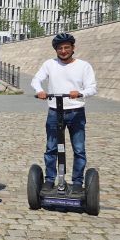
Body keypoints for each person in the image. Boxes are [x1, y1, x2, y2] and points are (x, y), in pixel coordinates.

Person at [31, 33, 97, 192]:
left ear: (73, 48)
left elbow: (92, 88)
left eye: (67, 47)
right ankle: (50, 179)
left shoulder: (84, 66)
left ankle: (77, 182)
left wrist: (80, 93)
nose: (63, 51)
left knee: (79, 149)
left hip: (76, 111)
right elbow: (36, 80)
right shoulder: (49, 64)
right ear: (56, 50)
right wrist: (40, 91)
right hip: (55, 111)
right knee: (51, 147)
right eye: (60, 48)